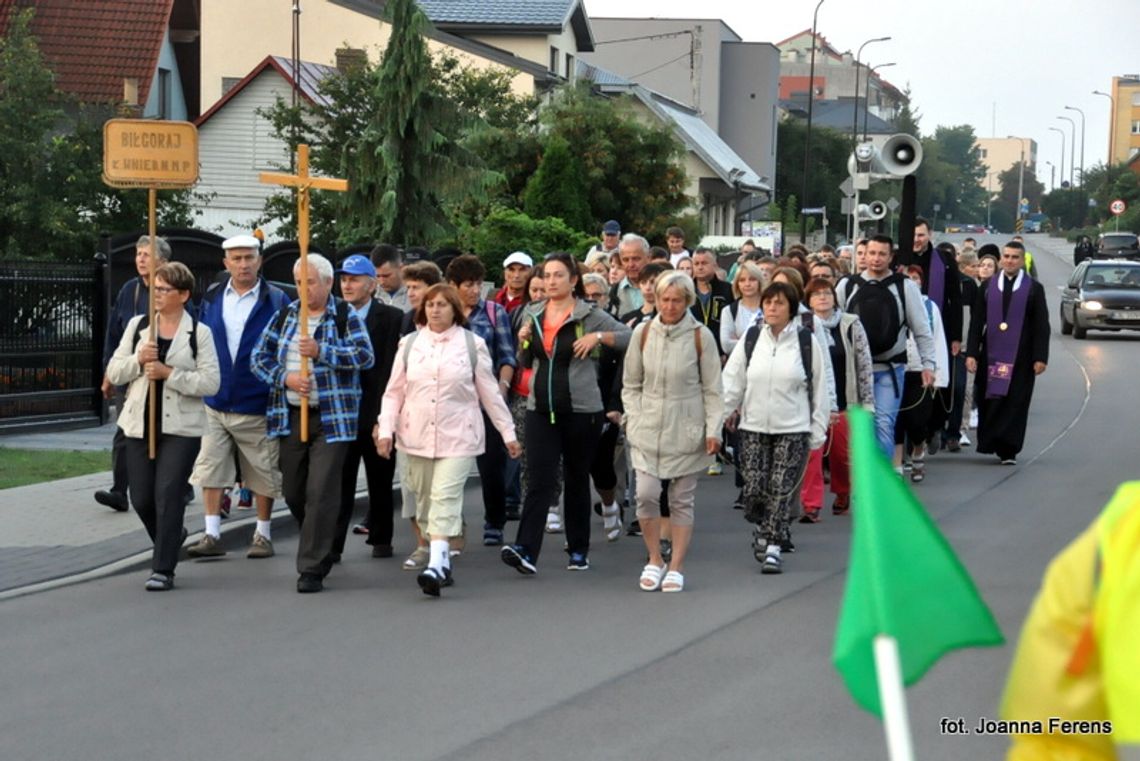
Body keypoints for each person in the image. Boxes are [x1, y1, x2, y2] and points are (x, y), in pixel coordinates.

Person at [377, 284, 521, 596]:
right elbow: (393, 392)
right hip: (415, 435)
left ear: (454, 309)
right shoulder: (410, 344)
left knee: (445, 496)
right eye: (430, 305)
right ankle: (440, 557)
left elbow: (490, 394)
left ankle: (438, 563)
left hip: (458, 434)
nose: (435, 310)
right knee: (424, 500)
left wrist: (508, 433)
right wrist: (386, 429)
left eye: (443, 304)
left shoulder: (472, 345)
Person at [250, 254, 374, 593]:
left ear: (328, 283)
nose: (305, 290)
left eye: (311, 282)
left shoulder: (345, 316)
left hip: (332, 419)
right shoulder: (286, 315)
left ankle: (311, 568)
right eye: (300, 282)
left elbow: (364, 356)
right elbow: (258, 359)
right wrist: (286, 377)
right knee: (294, 490)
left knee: (321, 491)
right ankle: (320, 536)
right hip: (291, 414)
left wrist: (322, 351)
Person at [501, 252, 631, 574]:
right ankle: (526, 550)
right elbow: (525, 360)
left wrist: (598, 337)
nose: (551, 281)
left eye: (558, 275)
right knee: (539, 478)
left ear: (573, 280)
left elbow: (632, 338)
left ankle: (578, 549)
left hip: (582, 408)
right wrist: (523, 342)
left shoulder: (589, 313)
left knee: (575, 477)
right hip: (540, 408)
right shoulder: (531, 313)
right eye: (546, 276)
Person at [106, 261, 220, 590]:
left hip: (180, 430)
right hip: (139, 425)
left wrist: (170, 374)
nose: (156, 294)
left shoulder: (199, 333)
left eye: (164, 289)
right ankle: (171, 537)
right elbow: (115, 372)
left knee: (168, 495)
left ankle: (163, 569)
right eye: (155, 288)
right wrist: (138, 360)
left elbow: (211, 382)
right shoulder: (140, 327)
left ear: (183, 295)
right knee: (141, 498)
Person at [186, 234, 289, 560]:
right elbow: (201, 339)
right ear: (225, 263)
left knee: (263, 471)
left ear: (259, 261)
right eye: (237, 259)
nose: (243, 264)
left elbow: (285, 347)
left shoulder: (277, 299)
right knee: (211, 468)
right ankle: (212, 534)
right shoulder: (215, 296)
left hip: (257, 399)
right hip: (216, 399)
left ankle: (262, 534)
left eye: (249, 258)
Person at [622, 271, 724, 592]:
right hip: (647, 425)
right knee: (646, 495)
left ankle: (676, 565)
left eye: (676, 300)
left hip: (687, 425)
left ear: (687, 301)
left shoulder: (701, 336)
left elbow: (713, 389)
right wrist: (635, 419)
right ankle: (654, 557)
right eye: (664, 299)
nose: (669, 306)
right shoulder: (643, 332)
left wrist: (714, 428)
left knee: (681, 499)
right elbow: (631, 384)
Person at [722, 282, 829, 574]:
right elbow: (732, 380)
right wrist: (718, 417)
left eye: (779, 303)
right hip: (753, 426)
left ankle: (772, 544)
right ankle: (763, 526)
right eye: (768, 302)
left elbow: (820, 387)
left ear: (791, 309)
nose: (771, 308)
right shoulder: (753, 337)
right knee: (755, 489)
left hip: (793, 427)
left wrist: (817, 430)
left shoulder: (806, 341)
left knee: (781, 488)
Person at [327, 255, 404, 562]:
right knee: (339, 484)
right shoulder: (332, 314)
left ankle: (382, 538)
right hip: (342, 413)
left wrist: (383, 418)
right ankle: (332, 546)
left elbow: (390, 370)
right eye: (344, 279)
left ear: (372, 285)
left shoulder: (392, 317)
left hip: (376, 410)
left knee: (380, 480)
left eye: (355, 279)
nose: (347, 285)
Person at [837, 235, 937, 459]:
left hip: (890, 370)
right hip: (855, 371)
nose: (876, 259)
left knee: (884, 423)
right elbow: (834, 325)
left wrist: (928, 365)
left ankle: (880, 483)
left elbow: (921, 329)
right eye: (871, 253)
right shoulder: (847, 285)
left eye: (882, 254)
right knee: (859, 428)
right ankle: (861, 481)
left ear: (891, 257)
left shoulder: (905, 287)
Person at [95, 235, 172, 513]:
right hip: (129, 374)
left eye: (147, 254)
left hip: (161, 375)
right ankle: (119, 490)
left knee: (164, 432)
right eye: (138, 254)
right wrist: (108, 373)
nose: (140, 259)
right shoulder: (130, 290)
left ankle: (179, 487)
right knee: (124, 431)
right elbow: (114, 335)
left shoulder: (171, 289)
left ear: (163, 260)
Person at [445, 254, 516, 546]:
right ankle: (449, 523)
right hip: (453, 402)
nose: (474, 290)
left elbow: (507, 355)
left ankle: (495, 521)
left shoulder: (493, 312)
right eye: (467, 285)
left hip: (486, 399)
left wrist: (502, 386)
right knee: (450, 467)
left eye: (478, 284)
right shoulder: (443, 313)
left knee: (491, 466)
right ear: (452, 286)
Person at [965, 242, 1049, 465]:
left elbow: (1042, 325)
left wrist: (1040, 357)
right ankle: (989, 441)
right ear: (1001, 259)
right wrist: (971, 353)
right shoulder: (988, 287)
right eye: (1007, 256)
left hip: (1021, 357)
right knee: (990, 399)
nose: (1010, 260)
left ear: (1022, 261)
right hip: (990, 354)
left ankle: (1009, 449)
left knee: (1015, 402)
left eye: (1015, 257)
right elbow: (976, 323)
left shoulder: (1033, 288)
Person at [799, 277, 873, 521]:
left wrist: (867, 402)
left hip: (844, 402)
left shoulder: (851, 324)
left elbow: (864, 364)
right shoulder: (803, 325)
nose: (823, 298)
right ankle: (811, 505)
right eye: (816, 294)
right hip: (811, 405)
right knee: (813, 455)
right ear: (808, 300)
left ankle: (843, 492)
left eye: (827, 293)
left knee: (841, 456)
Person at [392, 260, 444, 570]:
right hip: (409, 420)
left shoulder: (457, 328)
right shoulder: (405, 324)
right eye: (408, 287)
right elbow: (395, 379)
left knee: (439, 488)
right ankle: (423, 543)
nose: (411, 293)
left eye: (417, 287)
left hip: (445, 422)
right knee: (411, 486)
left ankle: (439, 543)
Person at [894, 266, 949, 483]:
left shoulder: (929, 307)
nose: (911, 282)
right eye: (907, 278)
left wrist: (938, 375)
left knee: (917, 419)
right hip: (897, 368)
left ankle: (918, 451)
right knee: (896, 419)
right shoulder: (893, 303)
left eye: (915, 278)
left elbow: (937, 340)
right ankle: (897, 464)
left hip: (921, 371)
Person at [690, 247, 734, 359]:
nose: (700, 267)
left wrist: (725, 352)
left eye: (704, 263)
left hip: (720, 354)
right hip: (691, 353)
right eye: (696, 263)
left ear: (714, 265)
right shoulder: (686, 291)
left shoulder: (728, 290)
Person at [720, 261, 765, 356]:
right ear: (737, 284)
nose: (747, 284)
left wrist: (739, 340)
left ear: (759, 281)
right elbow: (726, 345)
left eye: (752, 279)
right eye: (742, 280)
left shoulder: (769, 308)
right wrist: (763, 343)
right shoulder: (729, 311)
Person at [609, 234, 649, 317]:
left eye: (636, 259)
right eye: (626, 260)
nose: (631, 264)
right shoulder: (614, 292)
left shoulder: (661, 287)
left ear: (648, 258)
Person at [371, 244, 410, 311]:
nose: (381, 281)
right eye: (377, 276)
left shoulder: (415, 296)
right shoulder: (369, 296)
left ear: (401, 268)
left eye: (386, 276)